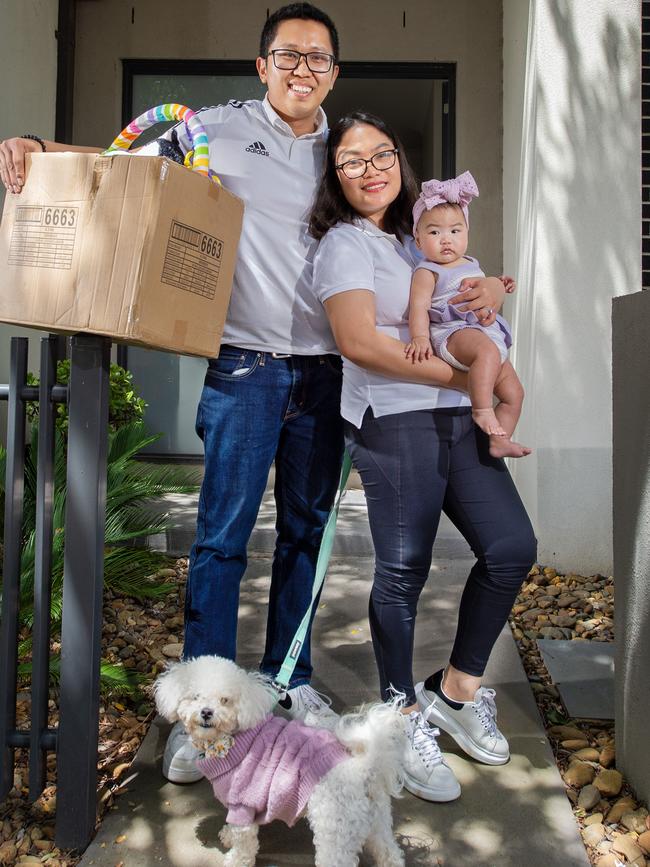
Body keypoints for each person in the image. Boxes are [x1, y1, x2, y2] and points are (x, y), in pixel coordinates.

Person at [0, 6, 508, 789]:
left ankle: (285, 679)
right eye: (289, 55)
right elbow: (121, 162)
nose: (303, 70)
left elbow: (416, 248)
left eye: (319, 60)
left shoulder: (350, 155)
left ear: (335, 73)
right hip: (246, 365)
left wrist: (483, 286)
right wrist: (41, 149)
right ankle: (199, 710)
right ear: (262, 64)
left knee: (307, 534)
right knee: (221, 541)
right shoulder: (215, 130)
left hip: (329, 371)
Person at [309, 110, 537, 803]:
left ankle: (457, 692)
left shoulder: (424, 228)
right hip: (392, 419)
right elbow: (361, 341)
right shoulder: (344, 245)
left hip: (458, 422)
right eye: (352, 160)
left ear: (400, 162)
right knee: (403, 569)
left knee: (511, 547)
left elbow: (466, 289)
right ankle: (401, 713)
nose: (371, 169)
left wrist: (497, 287)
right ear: (336, 177)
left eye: (382, 154)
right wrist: (472, 379)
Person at [406, 172, 531, 459]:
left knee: (515, 394)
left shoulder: (471, 263)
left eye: (455, 230)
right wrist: (420, 337)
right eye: (434, 232)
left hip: (486, 333)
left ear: (467, 233)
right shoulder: (428, 271)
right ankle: (482, 410)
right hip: (452, 332)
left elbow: (480, 290)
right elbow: (418, 307)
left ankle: (501, 439)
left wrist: (500, 282)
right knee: (486, 353)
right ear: (418, 241)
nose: (445, 240)